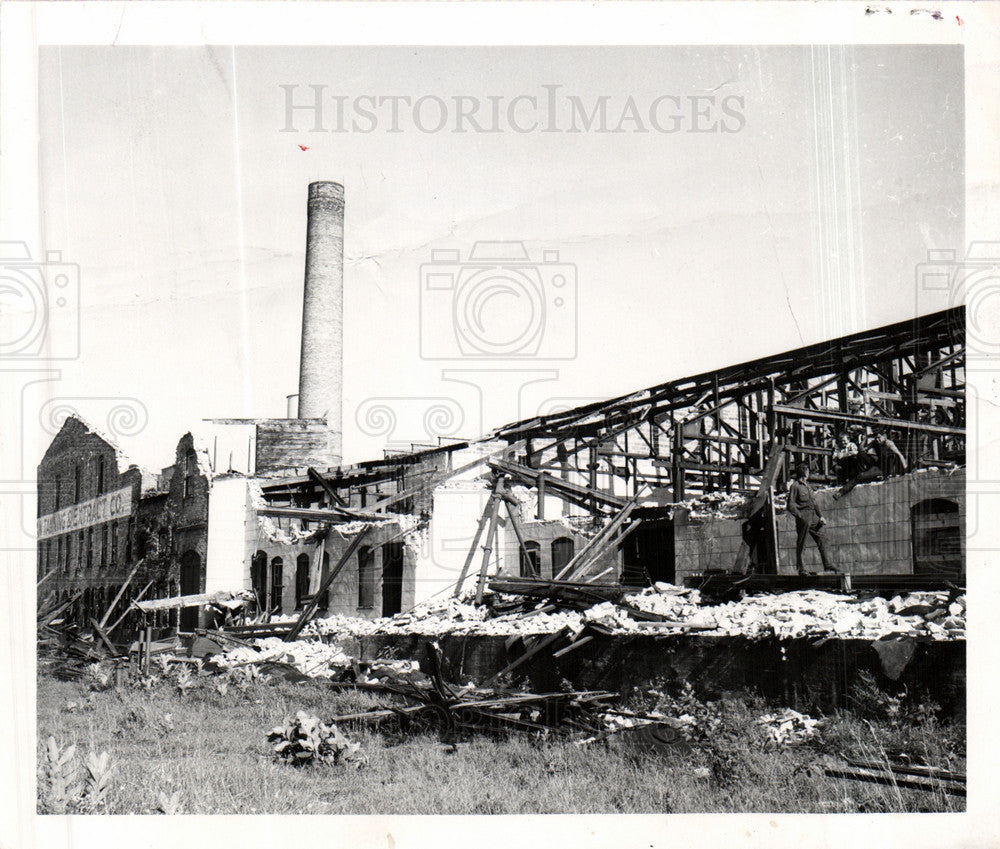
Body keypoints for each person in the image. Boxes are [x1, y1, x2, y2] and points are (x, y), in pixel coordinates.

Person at [787, 463, 838, 575]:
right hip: (804, 517)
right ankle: (802, 569)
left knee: (823, 538)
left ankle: (828, 565)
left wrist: (821, 516)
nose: (809, 473)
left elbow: (814, 503)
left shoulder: (808, 486)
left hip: (813, 517)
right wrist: (800, 516)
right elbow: (790, 505)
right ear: (804, 472)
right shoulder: (795, 486)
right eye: (808, 471)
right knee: (802, 543)